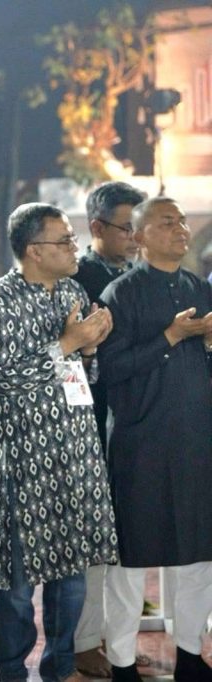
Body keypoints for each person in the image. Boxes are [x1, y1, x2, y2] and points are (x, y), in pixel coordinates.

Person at [0, 202, 118, 682]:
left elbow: (77, 373)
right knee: (18, 586)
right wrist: (69, 343)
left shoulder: (73, 292)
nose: (74, 247)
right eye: (64, 240)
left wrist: (89, 348)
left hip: (72, 451)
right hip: (22, 458)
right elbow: (5, 376)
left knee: (71, 578)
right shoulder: (0, 300)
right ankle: (12, 671)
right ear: (34, 250)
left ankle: (58, 667)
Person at [98, 197, 212, 682]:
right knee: (131, 561)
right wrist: (169, 337)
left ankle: (189, 653)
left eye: (182, 221)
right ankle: (122, 661)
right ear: (139, 236)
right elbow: (110, 368)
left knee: (198, 557)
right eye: (168, 222)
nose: (180, 228)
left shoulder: (199, 289)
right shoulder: (120, 294)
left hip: (195, 442)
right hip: (140, 443)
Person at [69, 180, 145, 678]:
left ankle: (116, 638)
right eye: (125, 228)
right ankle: (83, 640)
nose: (135, 238)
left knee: (120, 537)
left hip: (134, 417)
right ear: (96, 227)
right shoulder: (81, 279)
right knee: (92, 539)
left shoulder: (135, 274)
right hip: (92, 416)